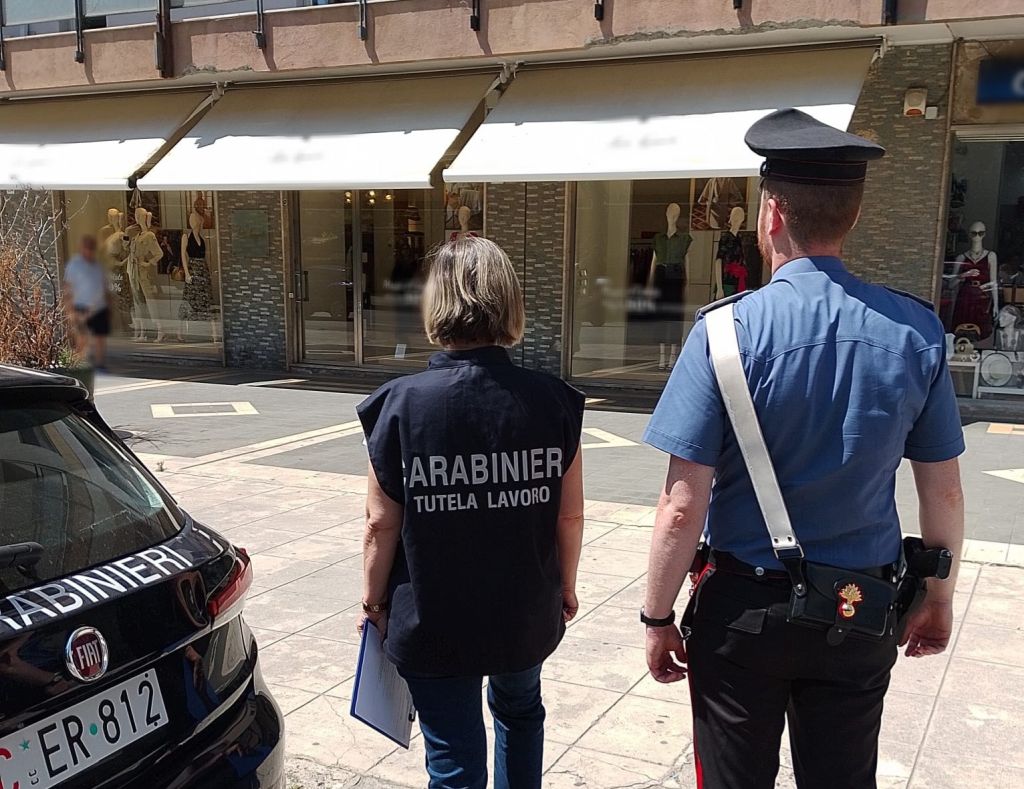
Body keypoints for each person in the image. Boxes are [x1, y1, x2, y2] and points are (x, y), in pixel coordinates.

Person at [641, 109, 965, 789]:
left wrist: (658, 616)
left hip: (744, 611)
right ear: (853, 215)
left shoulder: (723, 334)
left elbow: (681, 506)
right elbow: (943, 489)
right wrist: (937, 594)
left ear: (771, 215)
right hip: (859, 605)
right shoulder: (917, 332)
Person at [355, 236, 586, 789]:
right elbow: (569, 517)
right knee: (521, 714)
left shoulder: (400, 405)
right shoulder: (553, 401)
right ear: (509, 304)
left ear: (436, 304)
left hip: (433, 615)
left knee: (453, 757)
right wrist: (566, 586)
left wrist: (373, 603)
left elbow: (380, 524)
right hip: (523, 609)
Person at [62, 235, 110, 370]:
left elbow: (103, 287)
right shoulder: (74, 265)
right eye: (87, 248)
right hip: (81, 306)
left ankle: (100, 365)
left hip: (98, 307)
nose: (89, 251)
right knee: (82, 337)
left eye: (91, 249)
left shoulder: (97, 266)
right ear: (82, 249)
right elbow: (68, 288)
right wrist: (70, 310)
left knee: (99, 337)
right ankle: (78, 365)